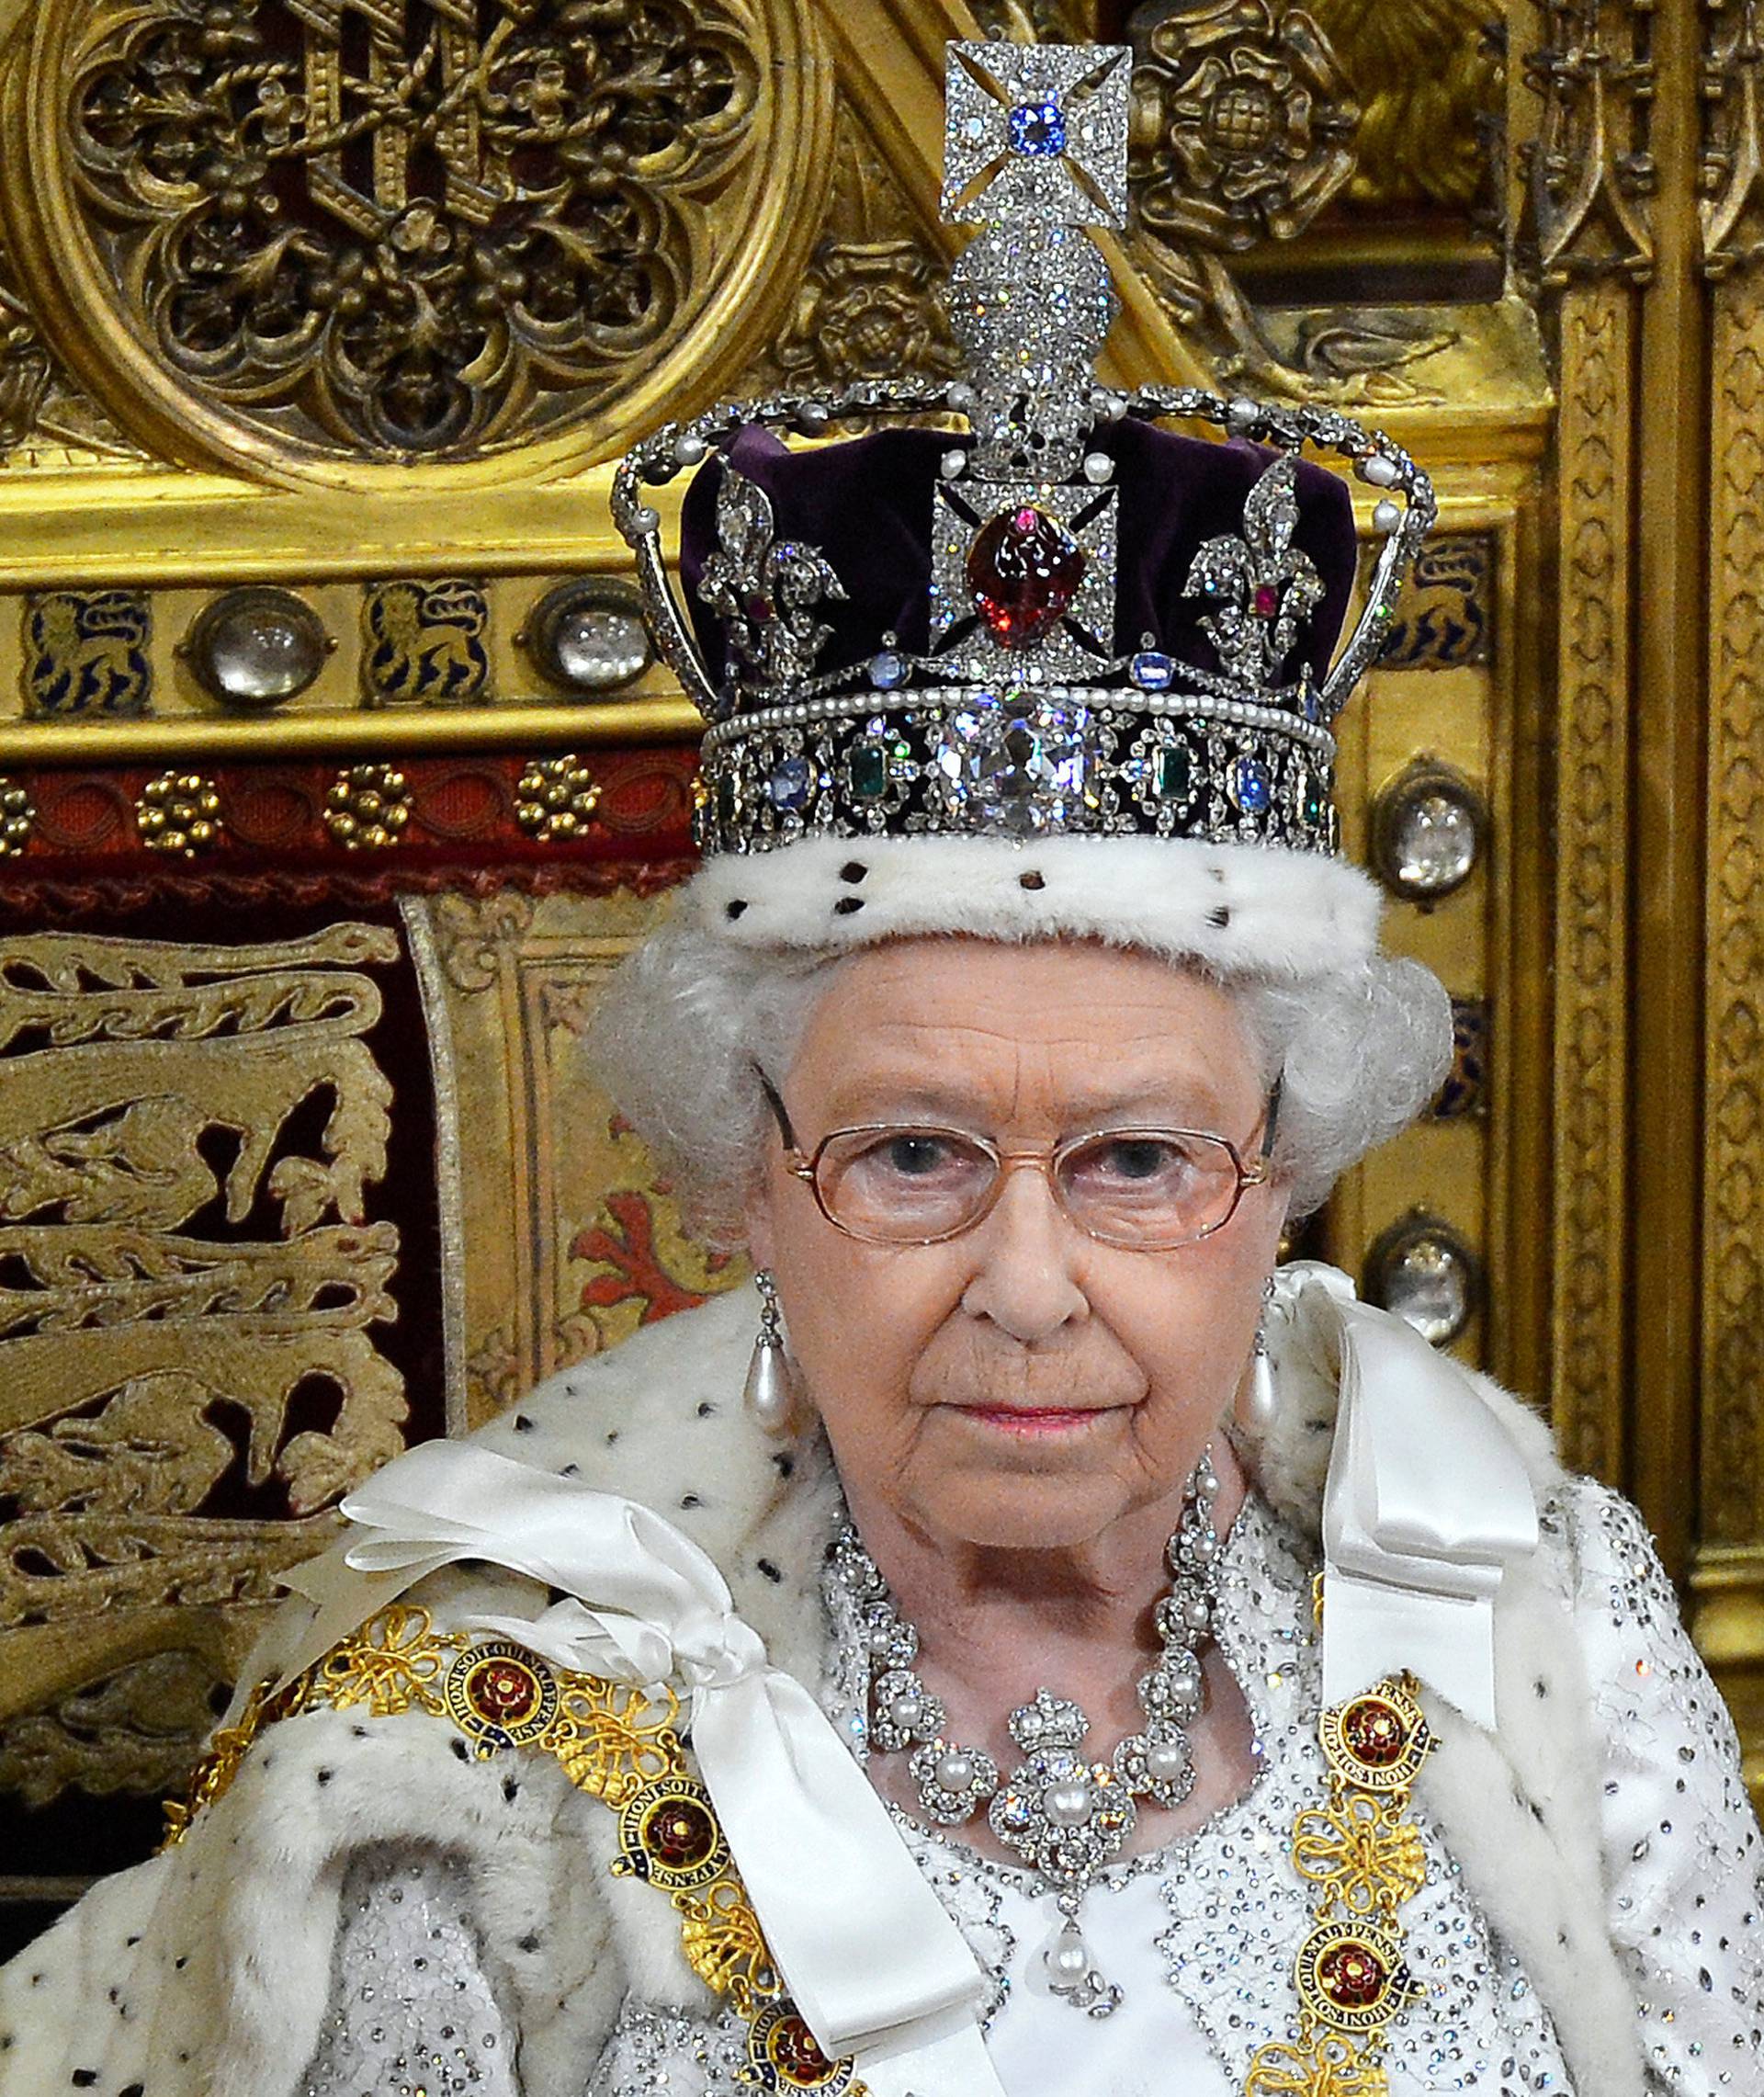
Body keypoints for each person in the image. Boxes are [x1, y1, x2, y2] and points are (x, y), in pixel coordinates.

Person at [3, 37, 1758, 2097]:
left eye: (1136, 1162)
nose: (1028, 1287)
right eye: (915, 1156)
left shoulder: (1542, 1625)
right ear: (744, 1180)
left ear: (1282, 1176)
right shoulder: (464, 1768)